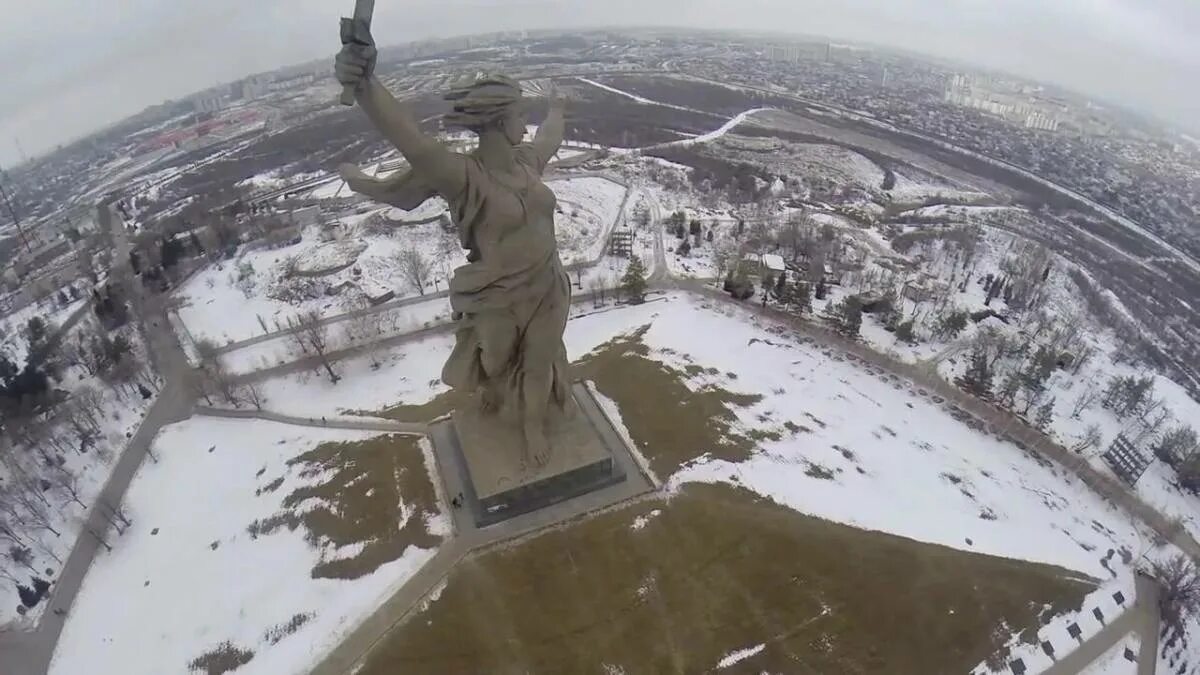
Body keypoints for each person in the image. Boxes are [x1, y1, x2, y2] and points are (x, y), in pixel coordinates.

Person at [335, 25, 571, 469]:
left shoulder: (526, 162)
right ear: (501, 121)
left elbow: (549, 139)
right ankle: (501, 401)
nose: (526, 123)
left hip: (548, 286)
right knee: (497, 364)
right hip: (499, 297)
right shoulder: (464, 176)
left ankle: (533, 424)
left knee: (539, 361)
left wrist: (558, 108)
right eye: (521, 114)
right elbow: (411, 140)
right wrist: (365, 84)